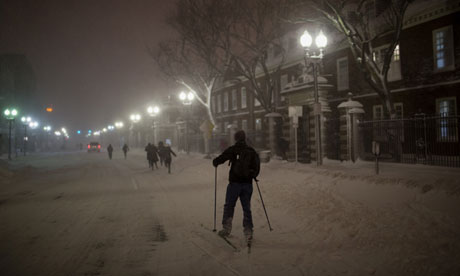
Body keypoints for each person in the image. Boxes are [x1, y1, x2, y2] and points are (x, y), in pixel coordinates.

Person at [212, 130, 260, 243]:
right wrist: (251, 175)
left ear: (236, 138)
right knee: (246, 208)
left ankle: (226, 228)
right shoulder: (251, 151)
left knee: (229, 205)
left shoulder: (233, 149)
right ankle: (248, 231)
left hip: (234, 183)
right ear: (245, 138)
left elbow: (222, 158)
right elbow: (256, 167)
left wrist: (215, 162)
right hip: (247, 184)